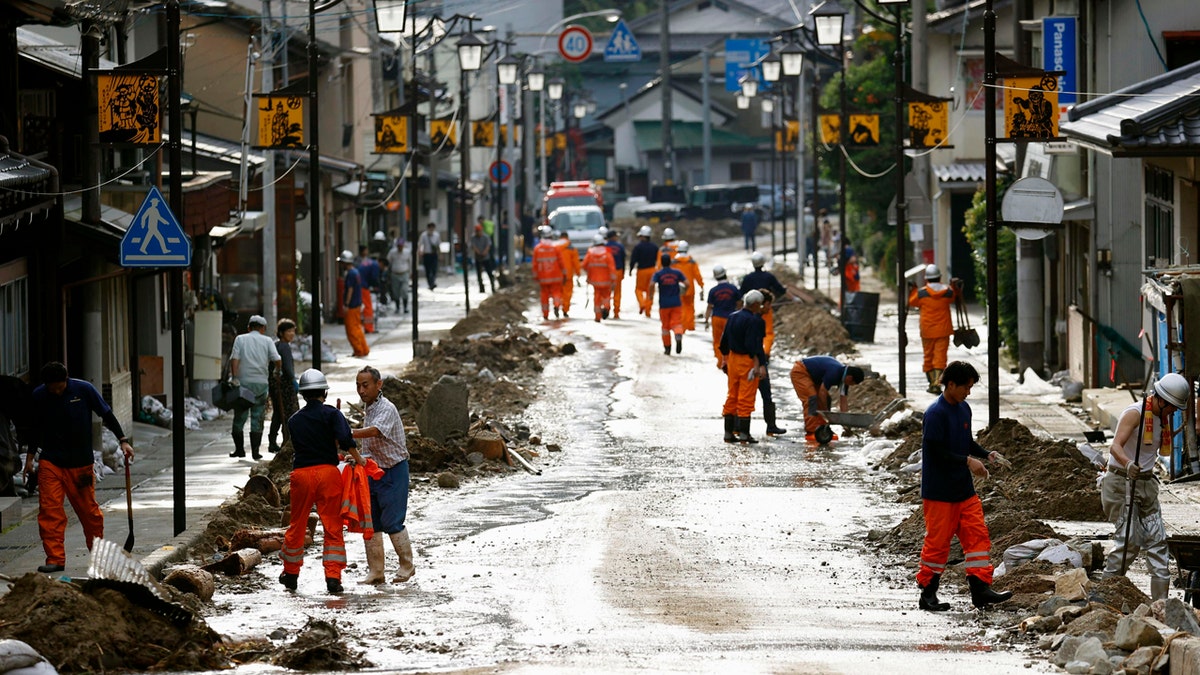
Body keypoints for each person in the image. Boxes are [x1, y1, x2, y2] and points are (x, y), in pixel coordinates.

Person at [916, 361, 1013, 611]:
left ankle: (980, 590)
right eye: (966, 387)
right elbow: (935, 452)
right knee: (938, 544)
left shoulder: (963, 409)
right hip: (939, 493)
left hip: (963, 491)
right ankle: (928, 594)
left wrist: (986, 454)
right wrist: (968, 461)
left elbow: (966, 442)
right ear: (950, 384)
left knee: (977, 537)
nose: (968, 392)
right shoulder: (935, 413)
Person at [27, 361, 135, 573]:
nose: (57, 391)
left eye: (60, 386)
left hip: (81, 464)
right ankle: (55, 559)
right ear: (46, 385)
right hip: (51, 462)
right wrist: (30, 458)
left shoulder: (83, 389)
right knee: (50, 511)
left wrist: (122, 439)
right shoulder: (39, 395)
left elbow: (106, 414)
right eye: (52, 387)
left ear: (66, 380)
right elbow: (35, 428)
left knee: (89, 514)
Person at [1098, 372, 1191, 601]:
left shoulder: (1162, 420)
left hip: (1146, 484)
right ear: (1161, 400)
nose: (1174, 412)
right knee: (1129, 541)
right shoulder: (1135, 413)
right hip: (1121, 483)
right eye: (1172, 407)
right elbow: (1115, 447)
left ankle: (1161, 605)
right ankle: (1105, 595)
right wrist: (1128, 463)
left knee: (1158, 541)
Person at [281, 369, 365, 595]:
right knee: (333, 526)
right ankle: (333, 577)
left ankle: (290, 573)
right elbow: (346, 440)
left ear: (303, 394)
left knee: (297, 524)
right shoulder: (332, 414)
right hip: (328, 475)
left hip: (301, 475)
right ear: (324, 393)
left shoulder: (293, 421)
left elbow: (308, 446)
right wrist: (359, 461)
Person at [352, 366, 416, 585]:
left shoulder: (386, 408)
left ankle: (407, 565)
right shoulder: (369, 408)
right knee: (373, 521)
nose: (361, 390)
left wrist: (347, 434)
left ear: (378, 385)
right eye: (358, 386)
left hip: (393, 470)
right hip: (372, 470)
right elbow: (369, 442)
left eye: (365, 385)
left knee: (393, 521)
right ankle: (376, 570)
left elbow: (376, 431)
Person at [229, 314, 282, 459]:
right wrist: (278, 371)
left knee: (240, 416)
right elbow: (277, 359)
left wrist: (234, 378)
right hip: (261, 384)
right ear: (263, 329)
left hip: (243, 384)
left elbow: (235, 359)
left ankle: (239, 450)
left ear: (248, 327)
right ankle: (256, 452)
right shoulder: (267, 341)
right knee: (258, 416)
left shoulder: (240, 339)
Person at [719, 290, 767, 444]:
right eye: (759, 305)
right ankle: (744, 434)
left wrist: (724, 359)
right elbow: (754, 345)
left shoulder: (732, 317)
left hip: (733, 360)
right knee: (746, 397)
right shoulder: (753, 321)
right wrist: (760, 364)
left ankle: (728, 433)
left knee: (732, 394)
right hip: (747, 361)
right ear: (755, 304)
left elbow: (723, 342)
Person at [908, 264, 960, 394]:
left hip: (927, 330)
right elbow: (955, 296)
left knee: (928, 356)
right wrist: (954, 286)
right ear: (939, 277)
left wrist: (913, 289)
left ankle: (932, 384)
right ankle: (937, 383)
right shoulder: (947, 292)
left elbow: (911, 302)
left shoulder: (921, 293)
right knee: (940, 357)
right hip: (943, 330)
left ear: (927, 279)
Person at [788, 356, 864, 443]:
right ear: (850, 378)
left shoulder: (844, 379)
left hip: (814, 377)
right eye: (852, 383)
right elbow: (822, 392)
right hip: (801, 371)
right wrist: (826, 414)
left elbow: (843, 402)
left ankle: (823, 428)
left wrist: (846, 425)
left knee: (827, 399)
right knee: (812, 399)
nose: (851, 385)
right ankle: (812, 430)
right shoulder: (834, 372)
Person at [756, 290, 787, 437]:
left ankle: (738, 429)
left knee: (743, 395)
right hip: (754, 362)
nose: (770, 308)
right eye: (769, 305)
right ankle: (769, 426)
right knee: (762, 394)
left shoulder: (760, 316)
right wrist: (762, 360)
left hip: (752, 360)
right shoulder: (755, 321)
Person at [267, 318, 299, 454]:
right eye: (288, 331)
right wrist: (293, 380)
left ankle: (272, 441)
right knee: (289, 412)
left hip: (275, 384)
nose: (292, 334)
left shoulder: (277, 345)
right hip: (284, 385)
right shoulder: (284, 347)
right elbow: (287, 367)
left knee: (278, 413)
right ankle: (287, 440)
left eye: (293, 331)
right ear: (281, 332)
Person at [649, 253, 689, 355]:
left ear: (661, 262)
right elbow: (687, 283)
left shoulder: (658, 274)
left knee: (665, 327)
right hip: (676, 303)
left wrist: (651, 295)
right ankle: (678, 335)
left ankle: (667, 348)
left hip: (664, 304)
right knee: (677, 323)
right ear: (670, 262)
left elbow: (652, 284)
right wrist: (684, 291)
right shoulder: (677, 273)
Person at [704, 265, 740, 368]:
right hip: (730, 319)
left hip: (717, 318)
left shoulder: (713, 291)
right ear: (725, 274)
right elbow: (739, 303)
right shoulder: (733, 289)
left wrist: (706, 320)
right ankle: (728, 361)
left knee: (717, 341)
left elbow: (710, 307)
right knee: (730, 340)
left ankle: (720, 361)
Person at [339, 251, 370, 358]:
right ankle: (364, 349)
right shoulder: (356, 272)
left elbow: (350, 290)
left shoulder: (350, 274)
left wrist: (346, 304)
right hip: (357, 305)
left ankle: (359, 350)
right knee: (358, 328)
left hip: (352, 306)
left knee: (352, 330)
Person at [532, 226, 566, 319]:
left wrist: (535, 276)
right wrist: (564, 273)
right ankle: (556, 305)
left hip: (543, 277)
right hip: (556, 276)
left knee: (544, 295)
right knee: (556, 293)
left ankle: (545, 314)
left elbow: (535, 264)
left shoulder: (537, 249)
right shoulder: (556, 248)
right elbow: (561, 262)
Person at [582, 233, 618, 322]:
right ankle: (606, 307)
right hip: (606, 281)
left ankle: (597, 317)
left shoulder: (590, 253)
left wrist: (589, 273)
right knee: (606, 296)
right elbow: (612, 269)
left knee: (597, 298)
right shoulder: (607, 253)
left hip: (595, 281)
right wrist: (614, 281)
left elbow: (584, 265)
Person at [629, 225, 659, 317]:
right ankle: (648, 311)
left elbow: (633, 259)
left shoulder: (638, 247)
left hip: (641, 271)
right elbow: (658, 259)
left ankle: (642, 304)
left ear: (642, 236)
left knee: (638, 290)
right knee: (650, 292)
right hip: (652, 270)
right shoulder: (655, 247)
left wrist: (630, 269)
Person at [673, 241, 703, 332]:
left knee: (681, 307)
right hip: (690, 288)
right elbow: (697, 274)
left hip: (678, 289)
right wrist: (701, 285)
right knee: (690, 306)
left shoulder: (674, 262)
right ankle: (690, 325)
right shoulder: (692, 262)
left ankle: (682, 325)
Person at [556, 232, 581, 318]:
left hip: (557, 274)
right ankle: (565, 310)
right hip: (568, 274)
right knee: (567, 293)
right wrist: (578, 273)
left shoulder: (555, 247)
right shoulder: (571, 248)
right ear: (567, 237)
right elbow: (576, 262)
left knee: (557, 292)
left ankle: (556, 305)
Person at [357, 246, 381, 333]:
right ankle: (368, 327)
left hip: (359, 284)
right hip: (362, 286)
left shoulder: (369, 263)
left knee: (361, 306)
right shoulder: (375, 265)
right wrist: (376, 286)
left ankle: (363, 326)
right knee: (367, 307)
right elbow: (374, 278)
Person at [604, 229, 627, 319]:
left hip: (607, 273)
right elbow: (623, 260)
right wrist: (623, 272)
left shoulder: (605, 247)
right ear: (613, 237)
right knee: (617, 293)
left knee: (607, 293)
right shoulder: (620, 246)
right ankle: (616, 313)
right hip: (618, 271)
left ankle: (606, 309)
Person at [470, 223, 496, 293]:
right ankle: (481, 288)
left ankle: (493, 286)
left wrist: (484, 252)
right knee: (479, 274)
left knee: (489, 273)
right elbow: (473, 246)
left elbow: (488, 246)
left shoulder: (486, 237)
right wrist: (478, 252)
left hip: (486, 258)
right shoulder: (473, 238)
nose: (478, 233)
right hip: (478, 258)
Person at [387, 237, 410, 314]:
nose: (400, 247)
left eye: (401, 246)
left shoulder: (407, 252)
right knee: (396, 292)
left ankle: (405, 307)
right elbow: (388, 262)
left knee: (404, 291)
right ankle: (397, 307)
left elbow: (410, 262)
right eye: (399, 246)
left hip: (404, 273)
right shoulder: (392, 252)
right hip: (395, 274)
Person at [418, 222, 440, 290]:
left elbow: (438, 244)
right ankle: (430, 283)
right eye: (430, 228)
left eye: (432, 228)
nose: (431, 229)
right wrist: (420, 251)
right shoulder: (424, 235)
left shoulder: (436, 235)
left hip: (434, 254)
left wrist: (440, 253)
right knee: (428, 270)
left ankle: (432, 282)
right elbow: (420, 244)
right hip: (426, 254)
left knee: (434, 269)